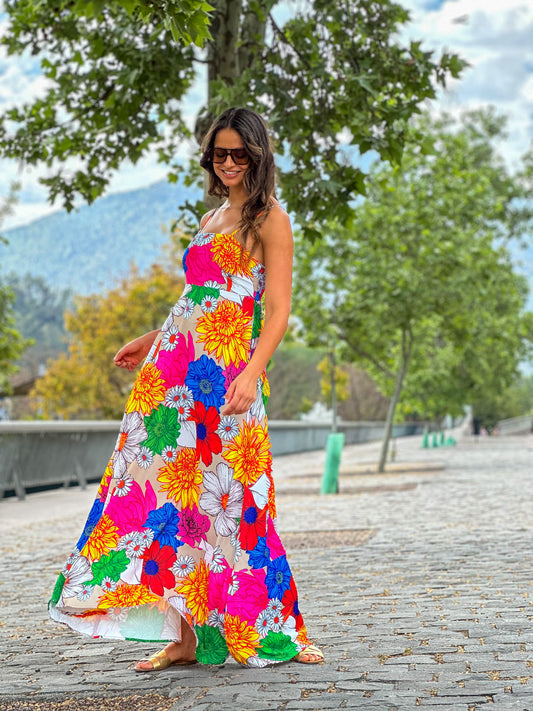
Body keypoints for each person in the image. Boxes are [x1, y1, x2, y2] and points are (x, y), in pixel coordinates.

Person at [49, 106, 324, 670]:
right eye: (219, 153)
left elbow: (276, 310)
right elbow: (198, 301)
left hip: (227, 377)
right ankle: (185, 638)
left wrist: (251, 372)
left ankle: (280, 629)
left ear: (257, 156)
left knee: (239, 499)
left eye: (238, 153)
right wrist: (151, 340)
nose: (228, 163)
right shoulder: (210, 217)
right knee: (175, 502)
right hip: (172, 377)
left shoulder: (270, 218)